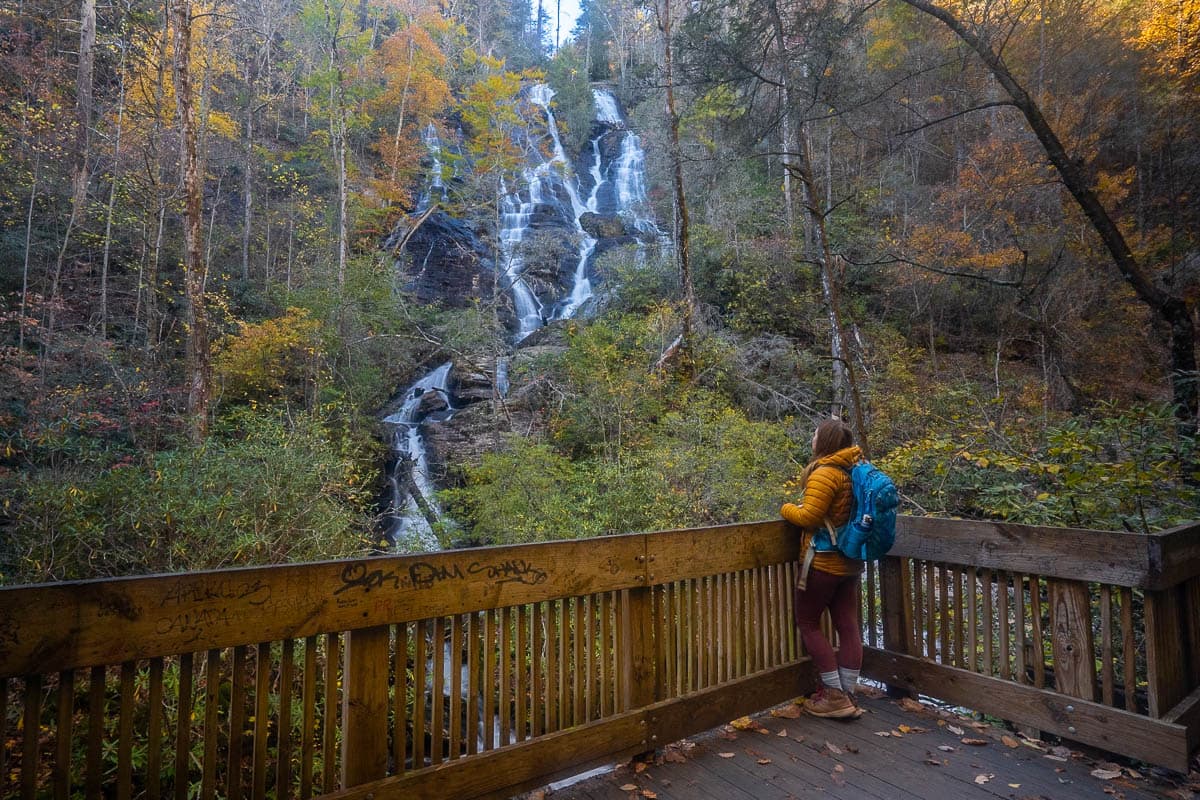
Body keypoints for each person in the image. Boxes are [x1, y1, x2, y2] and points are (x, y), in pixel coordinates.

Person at [781, 417, 864, 719]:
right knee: (848, 624)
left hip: (824, 563)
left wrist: (786, 509)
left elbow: (809, 518)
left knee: (808, 622)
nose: (812, 438)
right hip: (850, 562)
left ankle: (833, 696)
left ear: (825, 441)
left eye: (815, 434)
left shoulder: (826, 473)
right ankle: (848, 692)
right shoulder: (853, 470)